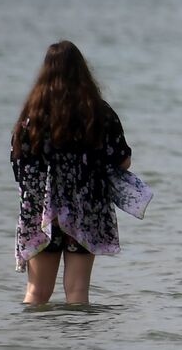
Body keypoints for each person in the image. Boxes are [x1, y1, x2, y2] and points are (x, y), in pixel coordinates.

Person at [11, 40, 132, 305]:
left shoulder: (32, 117)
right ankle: (78, 343)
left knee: (36, 292)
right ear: (82, 72)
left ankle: (27, 344)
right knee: (77, 291)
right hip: (85, 209)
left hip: (42, 211)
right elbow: (123, 160)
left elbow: (19, 163)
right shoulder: (99, 113)